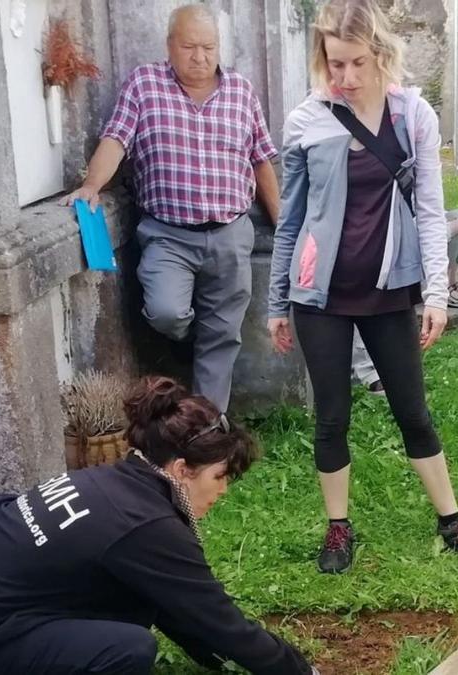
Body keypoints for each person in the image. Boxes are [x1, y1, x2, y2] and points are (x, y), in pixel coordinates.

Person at [267, 0, 458, 574]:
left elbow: (429, 210)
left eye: (356, 64)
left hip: (389, 291)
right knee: (332, 418)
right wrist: (277, 301)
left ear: (381, 56)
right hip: (318, 297)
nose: (344, 78)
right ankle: (338, 529)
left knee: (412, 411)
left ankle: (451, 520)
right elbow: (290, 221)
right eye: (334, 64)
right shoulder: (307, 121)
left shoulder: (412, 116)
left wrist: (437, 296)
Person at [0, 377, 316, 675]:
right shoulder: (146, 526)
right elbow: (221, 622)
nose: (224, 490)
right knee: (129, 648)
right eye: (219, 476)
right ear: (182, 470)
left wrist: (215, 657)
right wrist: (299, 670)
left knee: (132, 597)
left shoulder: (116, 483)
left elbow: (177, 606)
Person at [63, 4, 279, 413]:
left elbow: (262, 159)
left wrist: (280, 220)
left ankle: (207, 429)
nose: (200, 57)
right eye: (189, 46)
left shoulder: (241, 92)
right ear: (170, 46)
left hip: (231, 232)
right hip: (167, 233)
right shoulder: (144, 85)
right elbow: (115, 139)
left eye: (208, 47)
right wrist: (91, 185)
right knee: (166, 313)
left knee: (223, 334)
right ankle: (189, 348)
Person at [352, 208, 458, 395]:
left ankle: (450, 284)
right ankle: (367, 371)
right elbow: (417, 235)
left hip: (402, 260)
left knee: (457, 216)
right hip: (375, 249)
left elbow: (427, 215)